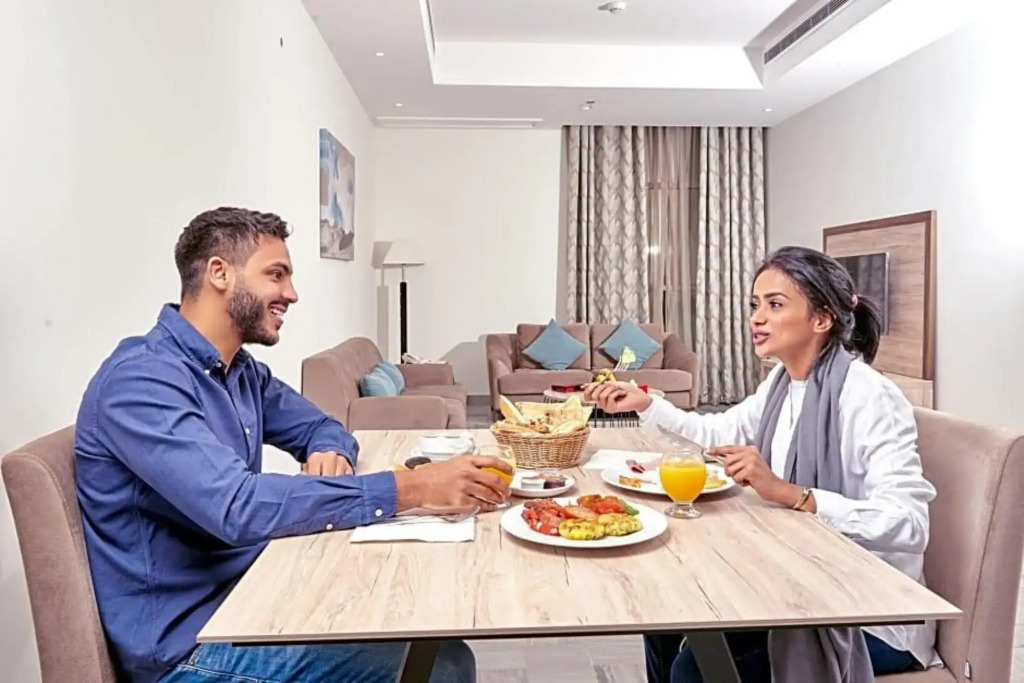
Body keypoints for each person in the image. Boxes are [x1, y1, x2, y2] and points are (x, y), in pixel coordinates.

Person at [75, 207, 511, 683]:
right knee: (443, 664)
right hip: (190, 649)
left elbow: (322, 426)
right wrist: (414, 487)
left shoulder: (240, 371)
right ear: (219, 273)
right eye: (276, 274)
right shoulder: (143, 382)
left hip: (251, 595)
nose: (291, 293)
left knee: (430, 632)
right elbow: (238, 507)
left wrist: (330, 451)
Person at [584, 246, 938, 683]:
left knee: (694, 669)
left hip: (870, 612)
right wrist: (645, 404)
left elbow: (910, 524)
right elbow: (719, 432)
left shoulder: (869, 397)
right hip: (794, 576)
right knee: (664, 613)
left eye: (775, 305)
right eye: (755, 305)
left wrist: (791, 494)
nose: (756, 318)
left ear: (821, 319)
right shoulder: (780, 382)